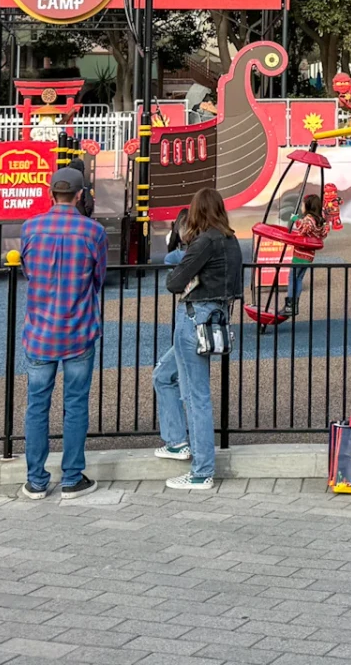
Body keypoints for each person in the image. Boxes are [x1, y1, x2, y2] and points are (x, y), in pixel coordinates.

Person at [19, 165, 108, 500]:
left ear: (50, 193)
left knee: (36, 405)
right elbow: (98, 278)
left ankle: (36, 479)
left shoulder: (31, 228)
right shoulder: (92, 232)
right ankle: (71, 476)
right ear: (80, 194)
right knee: (75, 403)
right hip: (79, 328)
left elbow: (29, 271)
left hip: (40, 329)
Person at [152, 187, 242, 491]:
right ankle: (177, 441)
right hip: (215, 316)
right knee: (163, 376)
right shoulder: (230, 240)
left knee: (196, 396)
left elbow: (174, 282)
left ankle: (202, 470)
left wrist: (181, 260)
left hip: (193, 318)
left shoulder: (205, 241)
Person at [282, 194, 327, 315]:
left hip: (300, 255)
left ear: (308, 206)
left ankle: (290, 305)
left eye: (303, 204)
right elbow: (322, 234)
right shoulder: (320, 221)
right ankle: (295, 304)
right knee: (299, 279)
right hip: (309, 256)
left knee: (292, 278)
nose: (302, 206)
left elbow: (304, 230)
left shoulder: (309, 219)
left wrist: (296, 220)